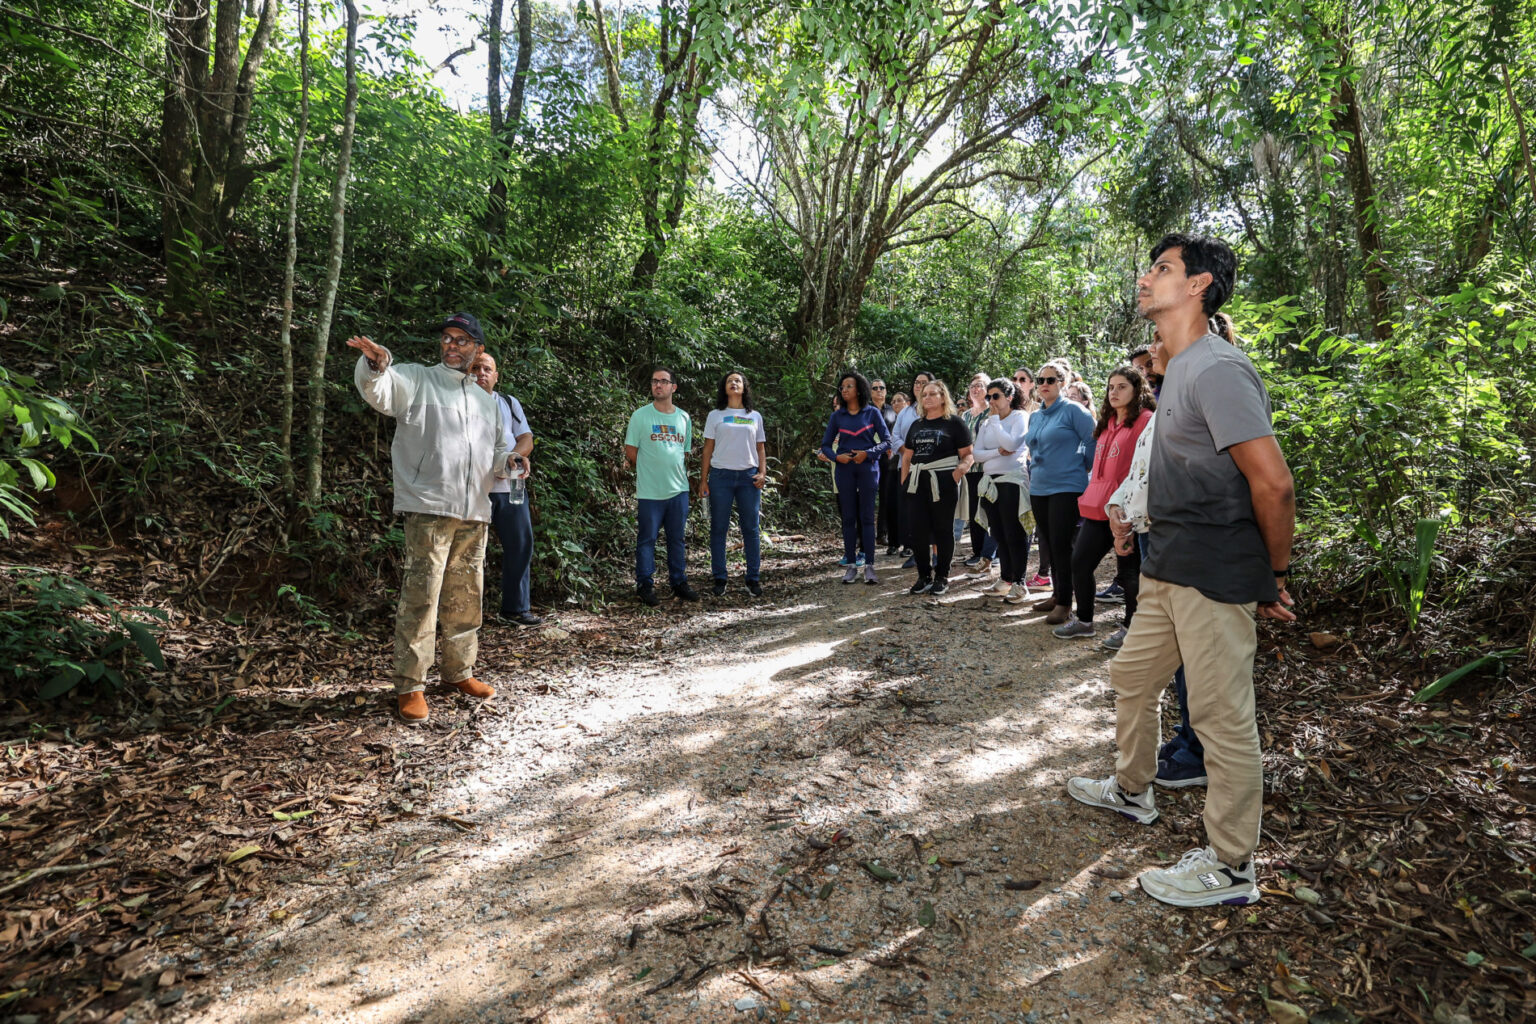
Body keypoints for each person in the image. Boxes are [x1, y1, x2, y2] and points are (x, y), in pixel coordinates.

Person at [1067, 233, 1295, 909]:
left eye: (1162, 269)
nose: (1146, 278)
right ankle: (1133, 791)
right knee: (1131, 676)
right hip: (1167, 567)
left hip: (1213, 571)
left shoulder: (1219, 369)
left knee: (1224, 719)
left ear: (1197, 286)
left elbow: (1274, 484)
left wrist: (1274, 574)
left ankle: (1231, 867)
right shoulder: (1180, 371)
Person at [347, 312, 515, 724]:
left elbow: (495, 455)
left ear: (477, 349)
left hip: (474, 512)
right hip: (429, 508)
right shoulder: (417, 378)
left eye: (462, 340)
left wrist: (510, 462)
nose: (452, 346)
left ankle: (459, 673)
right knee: (421, 598)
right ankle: (410, 685)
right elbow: (380, 392)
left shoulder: (485, 399)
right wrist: (375, 364)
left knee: (465, 597)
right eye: (447, 339)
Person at [1053, 366, 1155, 643]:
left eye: (1122, 386)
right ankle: (1085, 621)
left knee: (1130, 574)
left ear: (1138, 390)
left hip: (1128, 510)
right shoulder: (1107, 423)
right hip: (1098, 506)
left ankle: (1131, 630)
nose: (1114, 392)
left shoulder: (1146, 420)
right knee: (1080, 562)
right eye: (1111, 387)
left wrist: (1129, 505)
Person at [470, 353, 540, 627]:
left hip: (512, 483)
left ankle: (515, 608)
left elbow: (526, 438)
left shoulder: (508, 403)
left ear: (496, 376)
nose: (481, 373)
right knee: (470, 548)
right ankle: (463, 614)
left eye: (487, 368)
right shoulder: (460, 402)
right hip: (475, 485)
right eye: (476, 367)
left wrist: (515, 456)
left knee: (520, 543)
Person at [1023, 361, 1096, 625]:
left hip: (1067, 486)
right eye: (1041, 380)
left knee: (1063, 544)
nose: (1044, 384)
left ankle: (1066, 603)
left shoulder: (1074, 411)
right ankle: (1057, 593)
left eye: (1051, 380)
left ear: (1062, 383)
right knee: (1050, 544)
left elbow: (1093, 441)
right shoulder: (1036, 415)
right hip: (1040, 485)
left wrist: (1080, 466)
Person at [625, 368, 698, 606]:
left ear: (673, 387)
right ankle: (645, 584)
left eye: (664, 382)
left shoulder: (684, 417)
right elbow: (631, 451)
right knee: (647, 539)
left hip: (679, 489)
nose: (658, 385)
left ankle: (679, 582)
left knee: (677, 539)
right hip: (650, 491)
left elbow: (684, 452)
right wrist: (651, 470)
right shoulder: (640, 416)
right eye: (655, 381)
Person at [900, 380, 973, 596]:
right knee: (917, 530)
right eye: (924, 395)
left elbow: (968, 455)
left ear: (943, 397)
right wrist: (905, 482)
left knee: (943, 529)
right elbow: (907, 457)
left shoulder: (955, 423)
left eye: (932, 394)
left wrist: (956, 475)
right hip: (917, 481)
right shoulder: (916, 425)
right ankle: (923, 576)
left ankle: (942, 576)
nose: (927, 398)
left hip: (943, 481)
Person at [700, 371, 767, 597]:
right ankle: (720, 577)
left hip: (749, 478)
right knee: (719, 528)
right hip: (721, 477)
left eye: (738, 380)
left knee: (750, 528)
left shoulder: (754, 416)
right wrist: (703, 480)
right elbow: (708, 448)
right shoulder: (715, 415)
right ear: (724, 388)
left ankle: (753, 578)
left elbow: (760, 448)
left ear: (744, 387)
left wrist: (762, 472)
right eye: (730, 381)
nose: (734, 383)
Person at [820, 370, 889, 585]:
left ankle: (870, 566)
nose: (844, 389)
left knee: (868, 518)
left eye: (849, 386)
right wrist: (835, 457)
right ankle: (851, 565)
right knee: (848, 518)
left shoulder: (872, 413)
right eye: (842, 387)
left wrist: (868, 454)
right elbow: (825, 444)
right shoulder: (837, 416)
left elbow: (886, 441)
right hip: (845, 470)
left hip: (868, 468)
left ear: (859, 389)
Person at [972, 379, 1032, 603]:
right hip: (990, 482)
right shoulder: (987, 423)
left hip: (1012, 481)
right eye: (989, 397)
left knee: (1014, 533)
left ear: (1009, 397)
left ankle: (1020, 583)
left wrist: (996, 422)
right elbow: (977, 454)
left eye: (995, 396)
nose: (991, 401)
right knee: (997, 532)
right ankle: (1005, 579)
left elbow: (1013, 444)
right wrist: (998, 451)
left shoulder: (1019, 417)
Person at [891, 371, 933, 565]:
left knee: (932, 511)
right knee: (913, 511)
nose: (919, 385)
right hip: (907, 467)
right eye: (916, 382)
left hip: (931, 468)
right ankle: (918, 552)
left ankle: (936, 553)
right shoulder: (906, 412)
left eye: (924, 382)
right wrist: (906, 451)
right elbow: (895, 436)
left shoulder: (936, 410)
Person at [959, 375, 998, 572]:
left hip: (987, 469)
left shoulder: (992, 413)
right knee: (973, 511)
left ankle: (990, 553)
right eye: (972, 386)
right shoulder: (965, 416)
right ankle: (977, 552)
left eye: (980, 386)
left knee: (988, 510)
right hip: (969, 470)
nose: (975, 389)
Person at [870, 378, 899, 552]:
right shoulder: (865, 409)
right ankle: (863, 536)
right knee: (867, 496)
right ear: (870, 391)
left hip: (888, 459)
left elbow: (896, 432)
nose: (879, 390)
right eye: (875, 388)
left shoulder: (891, 410)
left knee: (887, 496)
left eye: (882, 387)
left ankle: (883, 533)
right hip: (870, 458)